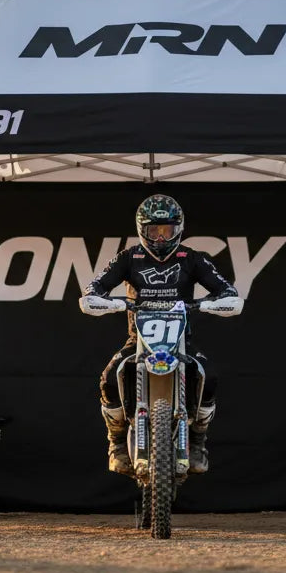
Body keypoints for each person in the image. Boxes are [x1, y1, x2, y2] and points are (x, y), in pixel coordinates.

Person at [79, 194, 242, 475]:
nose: (161, 237)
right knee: (109, 378)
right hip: (139, 341)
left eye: (167, 230)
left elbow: (229, 294)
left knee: (210, 377)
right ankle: (116, 443)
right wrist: (112, 302)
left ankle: (197, 440)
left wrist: (206, 304)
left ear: (179, 228)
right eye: (154, 230)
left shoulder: (191, 258)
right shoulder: (129, 257)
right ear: (142, 229)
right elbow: (91, 292)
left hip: (180, 341)